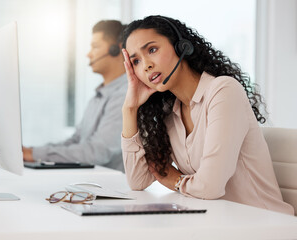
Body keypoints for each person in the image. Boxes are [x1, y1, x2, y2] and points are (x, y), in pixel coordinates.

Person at [121, 15, 294, 215]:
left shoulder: (223, 91)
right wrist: (130, 109)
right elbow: (138, 180)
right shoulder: (169, 113)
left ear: (181, 47)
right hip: (216, 221)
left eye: (152, 50)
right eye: (136, 61)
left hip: (264, 223)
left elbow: (210, 187)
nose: (146, 65)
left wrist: (175, 180)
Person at [23, 20, 127, 172]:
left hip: (110, 187)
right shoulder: (99, 96)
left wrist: (34, 154)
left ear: (116, 50)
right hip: (90, 181)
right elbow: (75, 141)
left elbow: (98, 152)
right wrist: (32, 152)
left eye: (95, 47)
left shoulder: (124, 95)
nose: (88, 54)